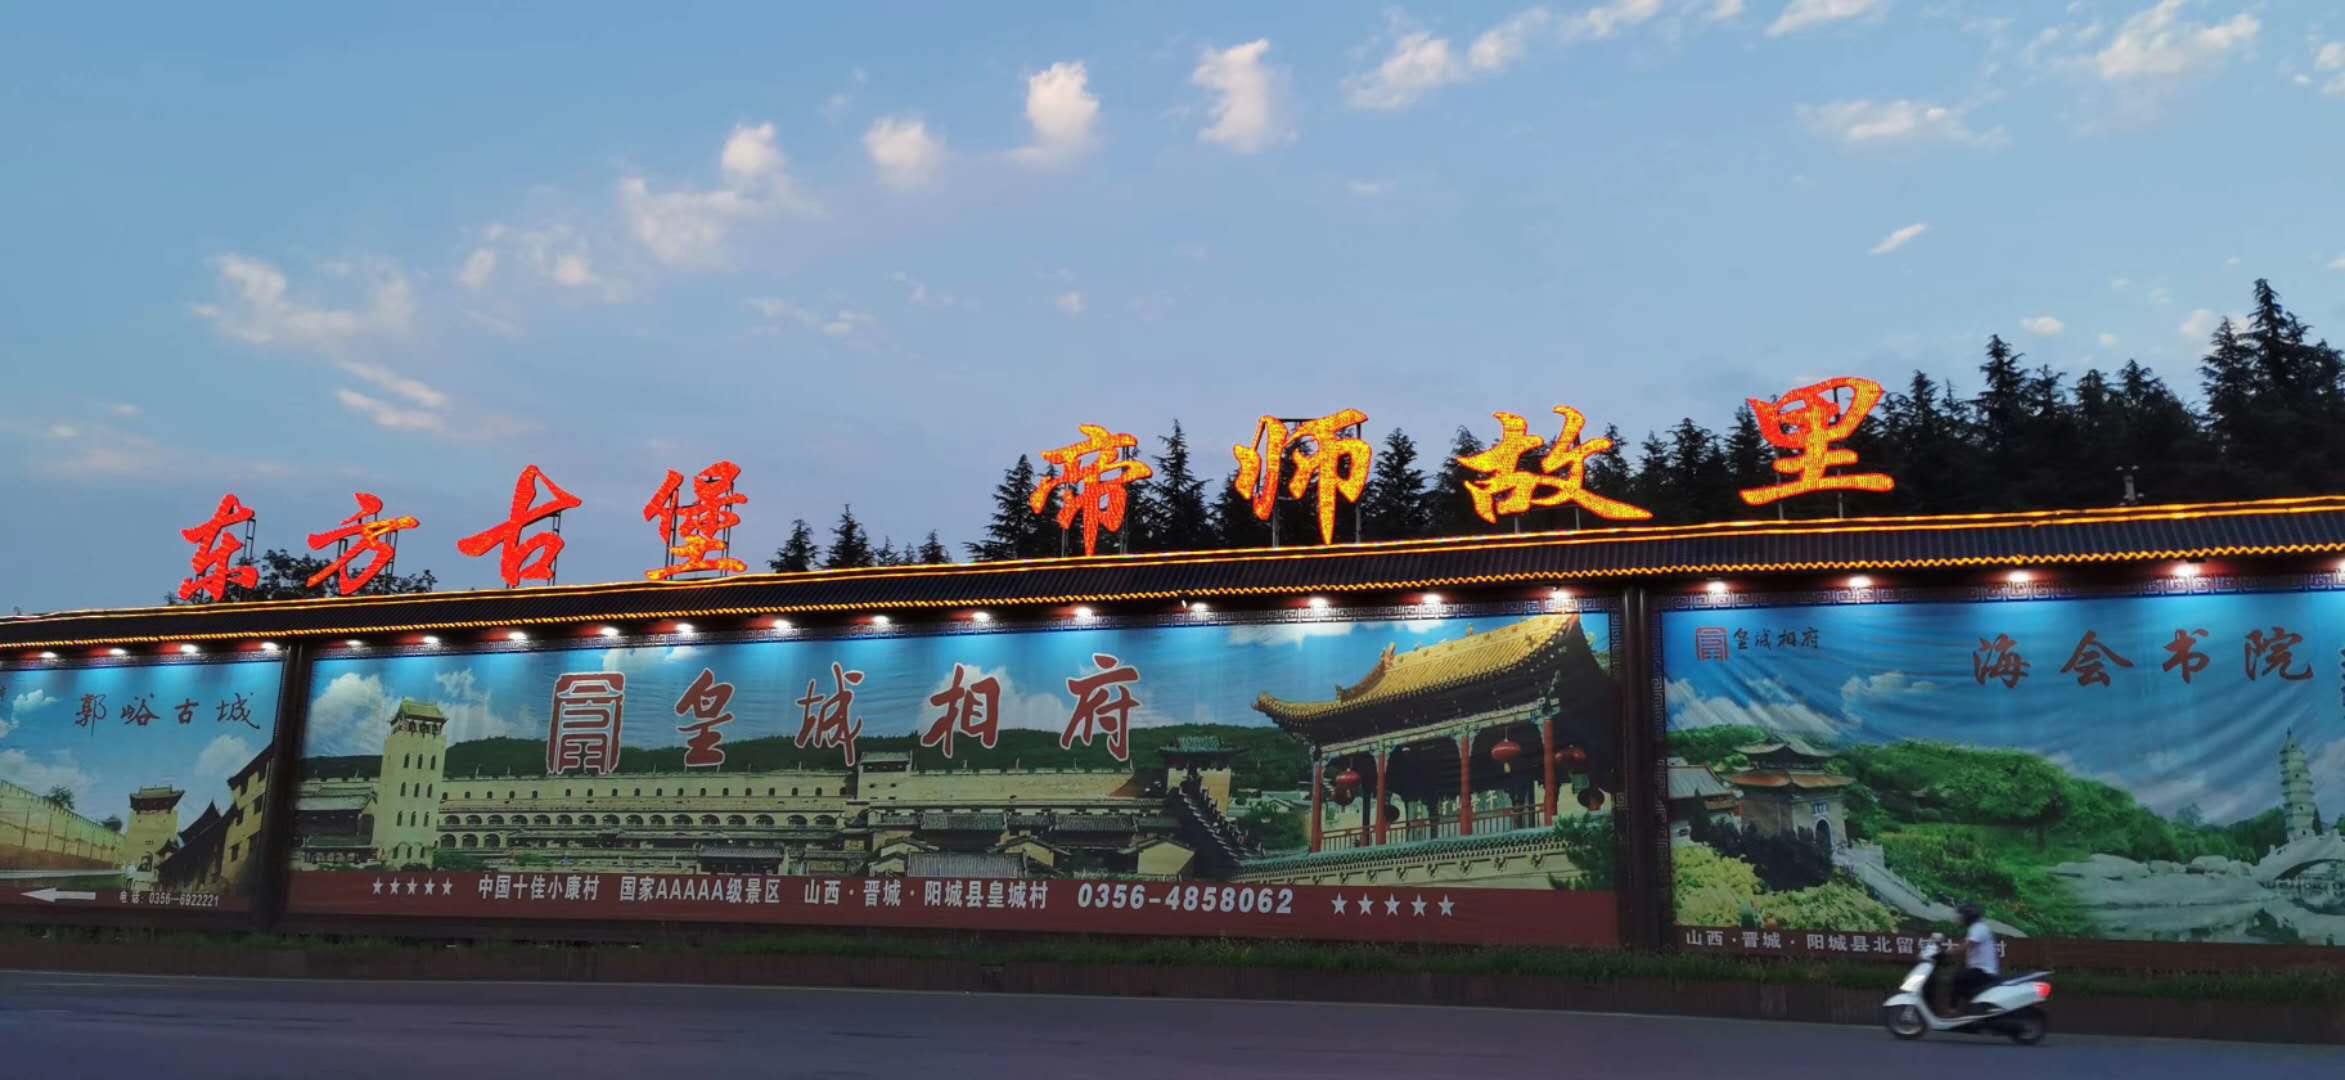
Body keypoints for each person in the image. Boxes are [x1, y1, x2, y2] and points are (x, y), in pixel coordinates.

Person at [1949, 901, 2000, 1010]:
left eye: (1961, 915)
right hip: (1979, 970)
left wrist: (1949, 952)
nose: (1959, 918)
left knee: (1958, 978)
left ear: (1968, 916)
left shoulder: (1978, 928)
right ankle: (1969, 1009)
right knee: (1961, 980)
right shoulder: (1976, 928)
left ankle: (1952, 1010)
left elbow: (1969, 944)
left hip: (1984, 972)